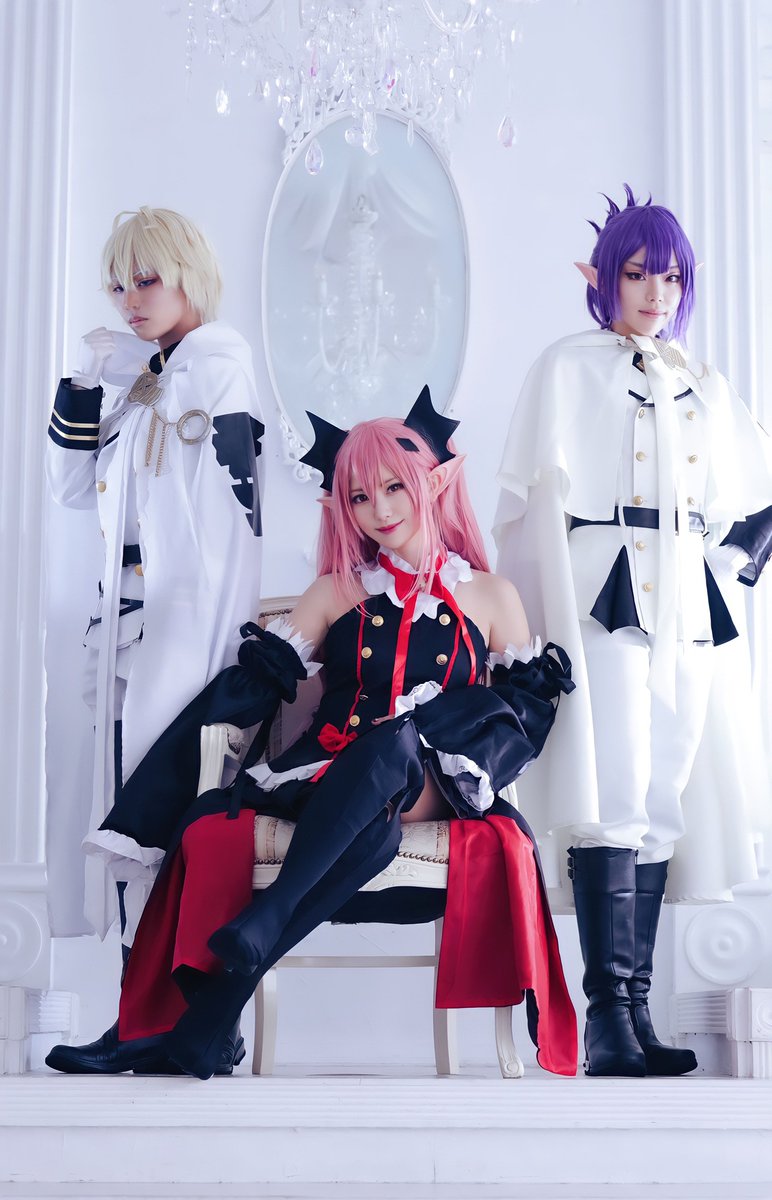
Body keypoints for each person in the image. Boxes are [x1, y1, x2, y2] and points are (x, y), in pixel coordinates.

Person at [46, 390, 578, 1079]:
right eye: (359, 496)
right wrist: (178, 769)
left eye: (394, 487)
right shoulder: (334, 592)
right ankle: (201, 1021)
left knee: (396, 745)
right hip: (330, 776)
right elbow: (258, 684)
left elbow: (519, 716)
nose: (379, 509)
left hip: (438, 783)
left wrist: (463, 757)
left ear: (434, 483)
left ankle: (262, 924)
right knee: (314, 824)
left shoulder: (490, 594)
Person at [494, 186, 772, 1077]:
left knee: (660, 799)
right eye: (639, 273)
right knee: (611, 787)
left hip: (686, 602)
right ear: (604, 278)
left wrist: (730, 567)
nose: (657, 292)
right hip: (603, 595)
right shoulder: (567, 367)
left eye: (673, 277)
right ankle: (605, 1019)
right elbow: (525, 507)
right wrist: (532, 630)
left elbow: (747, 498)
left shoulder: (704, 383)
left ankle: (636, 1015)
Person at [46, 207, 265, 954]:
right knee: (116, 801)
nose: (129, 301)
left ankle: (172, 994)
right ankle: (133, 989)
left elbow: (223, 528)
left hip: (182, 621)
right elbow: (74, 487)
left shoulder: (216, 370)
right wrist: (85, 383)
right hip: (121, 619)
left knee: (160, 803)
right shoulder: (151, 379)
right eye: (117, 286)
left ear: (187, 277)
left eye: (145, 280)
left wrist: (205, 646)